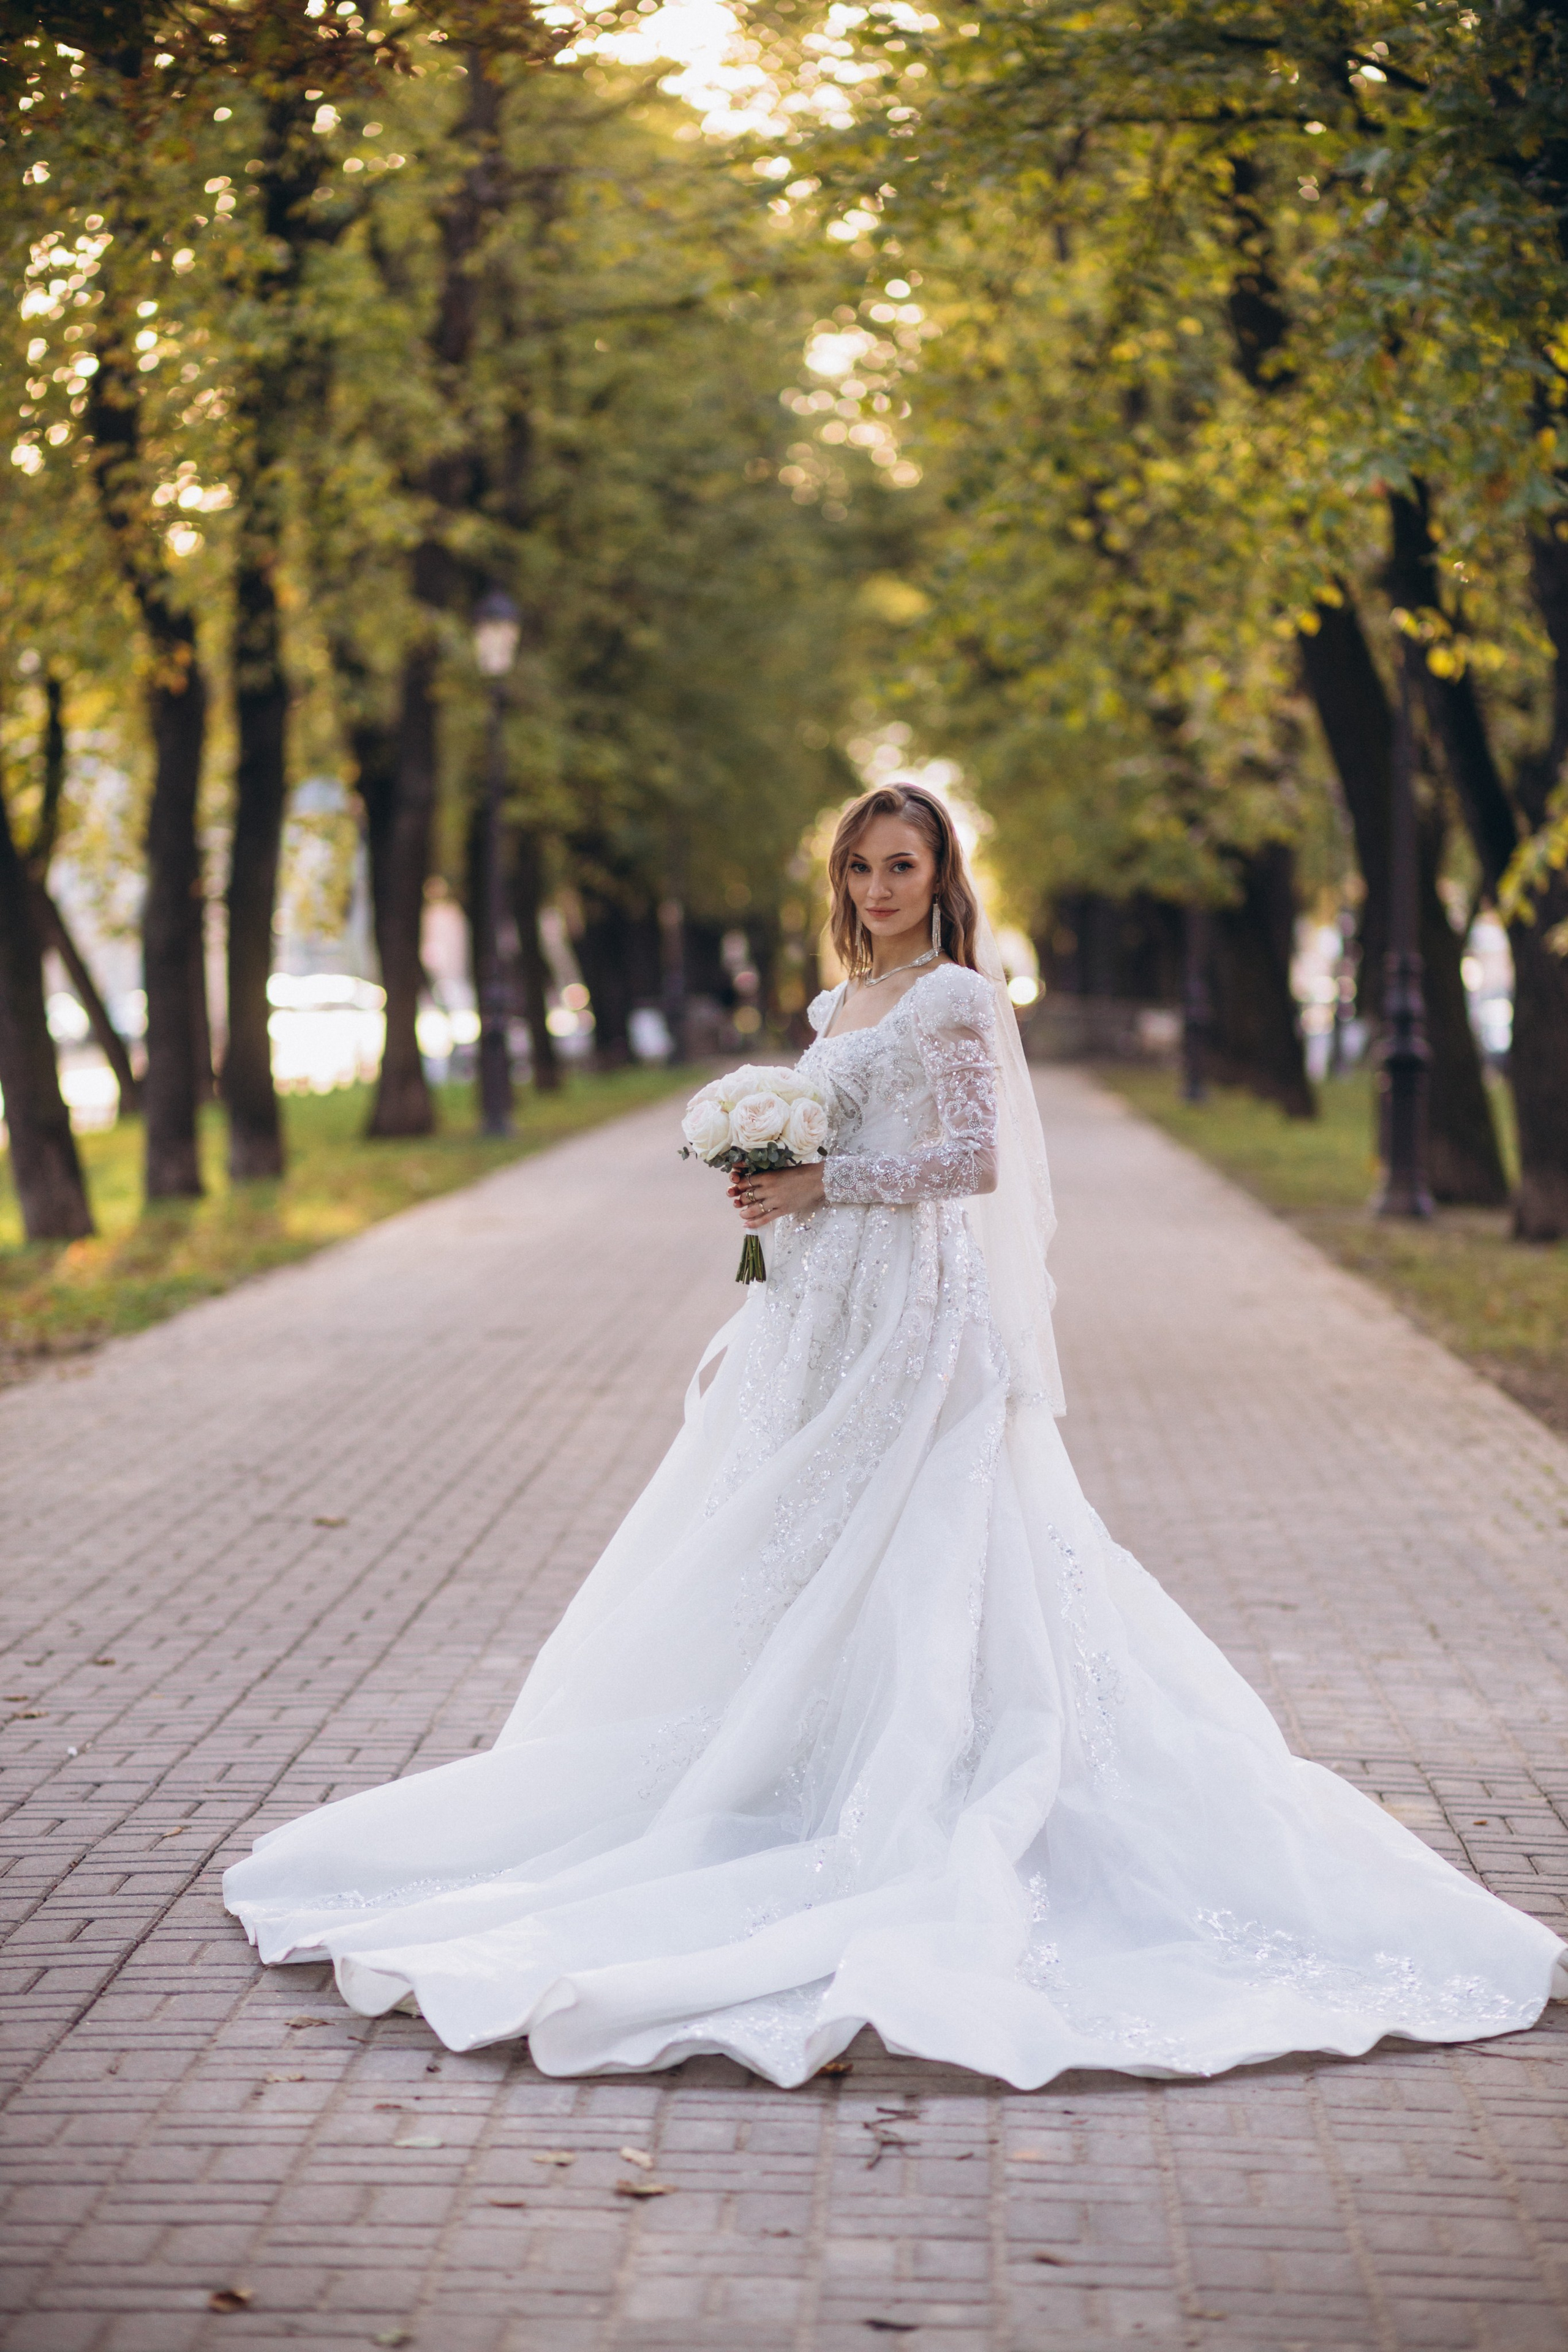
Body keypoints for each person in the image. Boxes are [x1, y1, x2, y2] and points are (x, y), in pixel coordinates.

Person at [224, 784, 1565, 2086]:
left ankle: (926, 1782)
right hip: (816, 1304)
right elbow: (848, 1132)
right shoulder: (838, 1001)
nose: (878, 888)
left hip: (914, 1308)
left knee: (927, 1533)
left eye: (902, 867)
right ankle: (780, 1766)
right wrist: (775, 1193)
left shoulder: (952, 996)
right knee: (791, 1538)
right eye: (862, 867)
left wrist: (824, 1180)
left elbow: (971, 1161)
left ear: (940, 880)